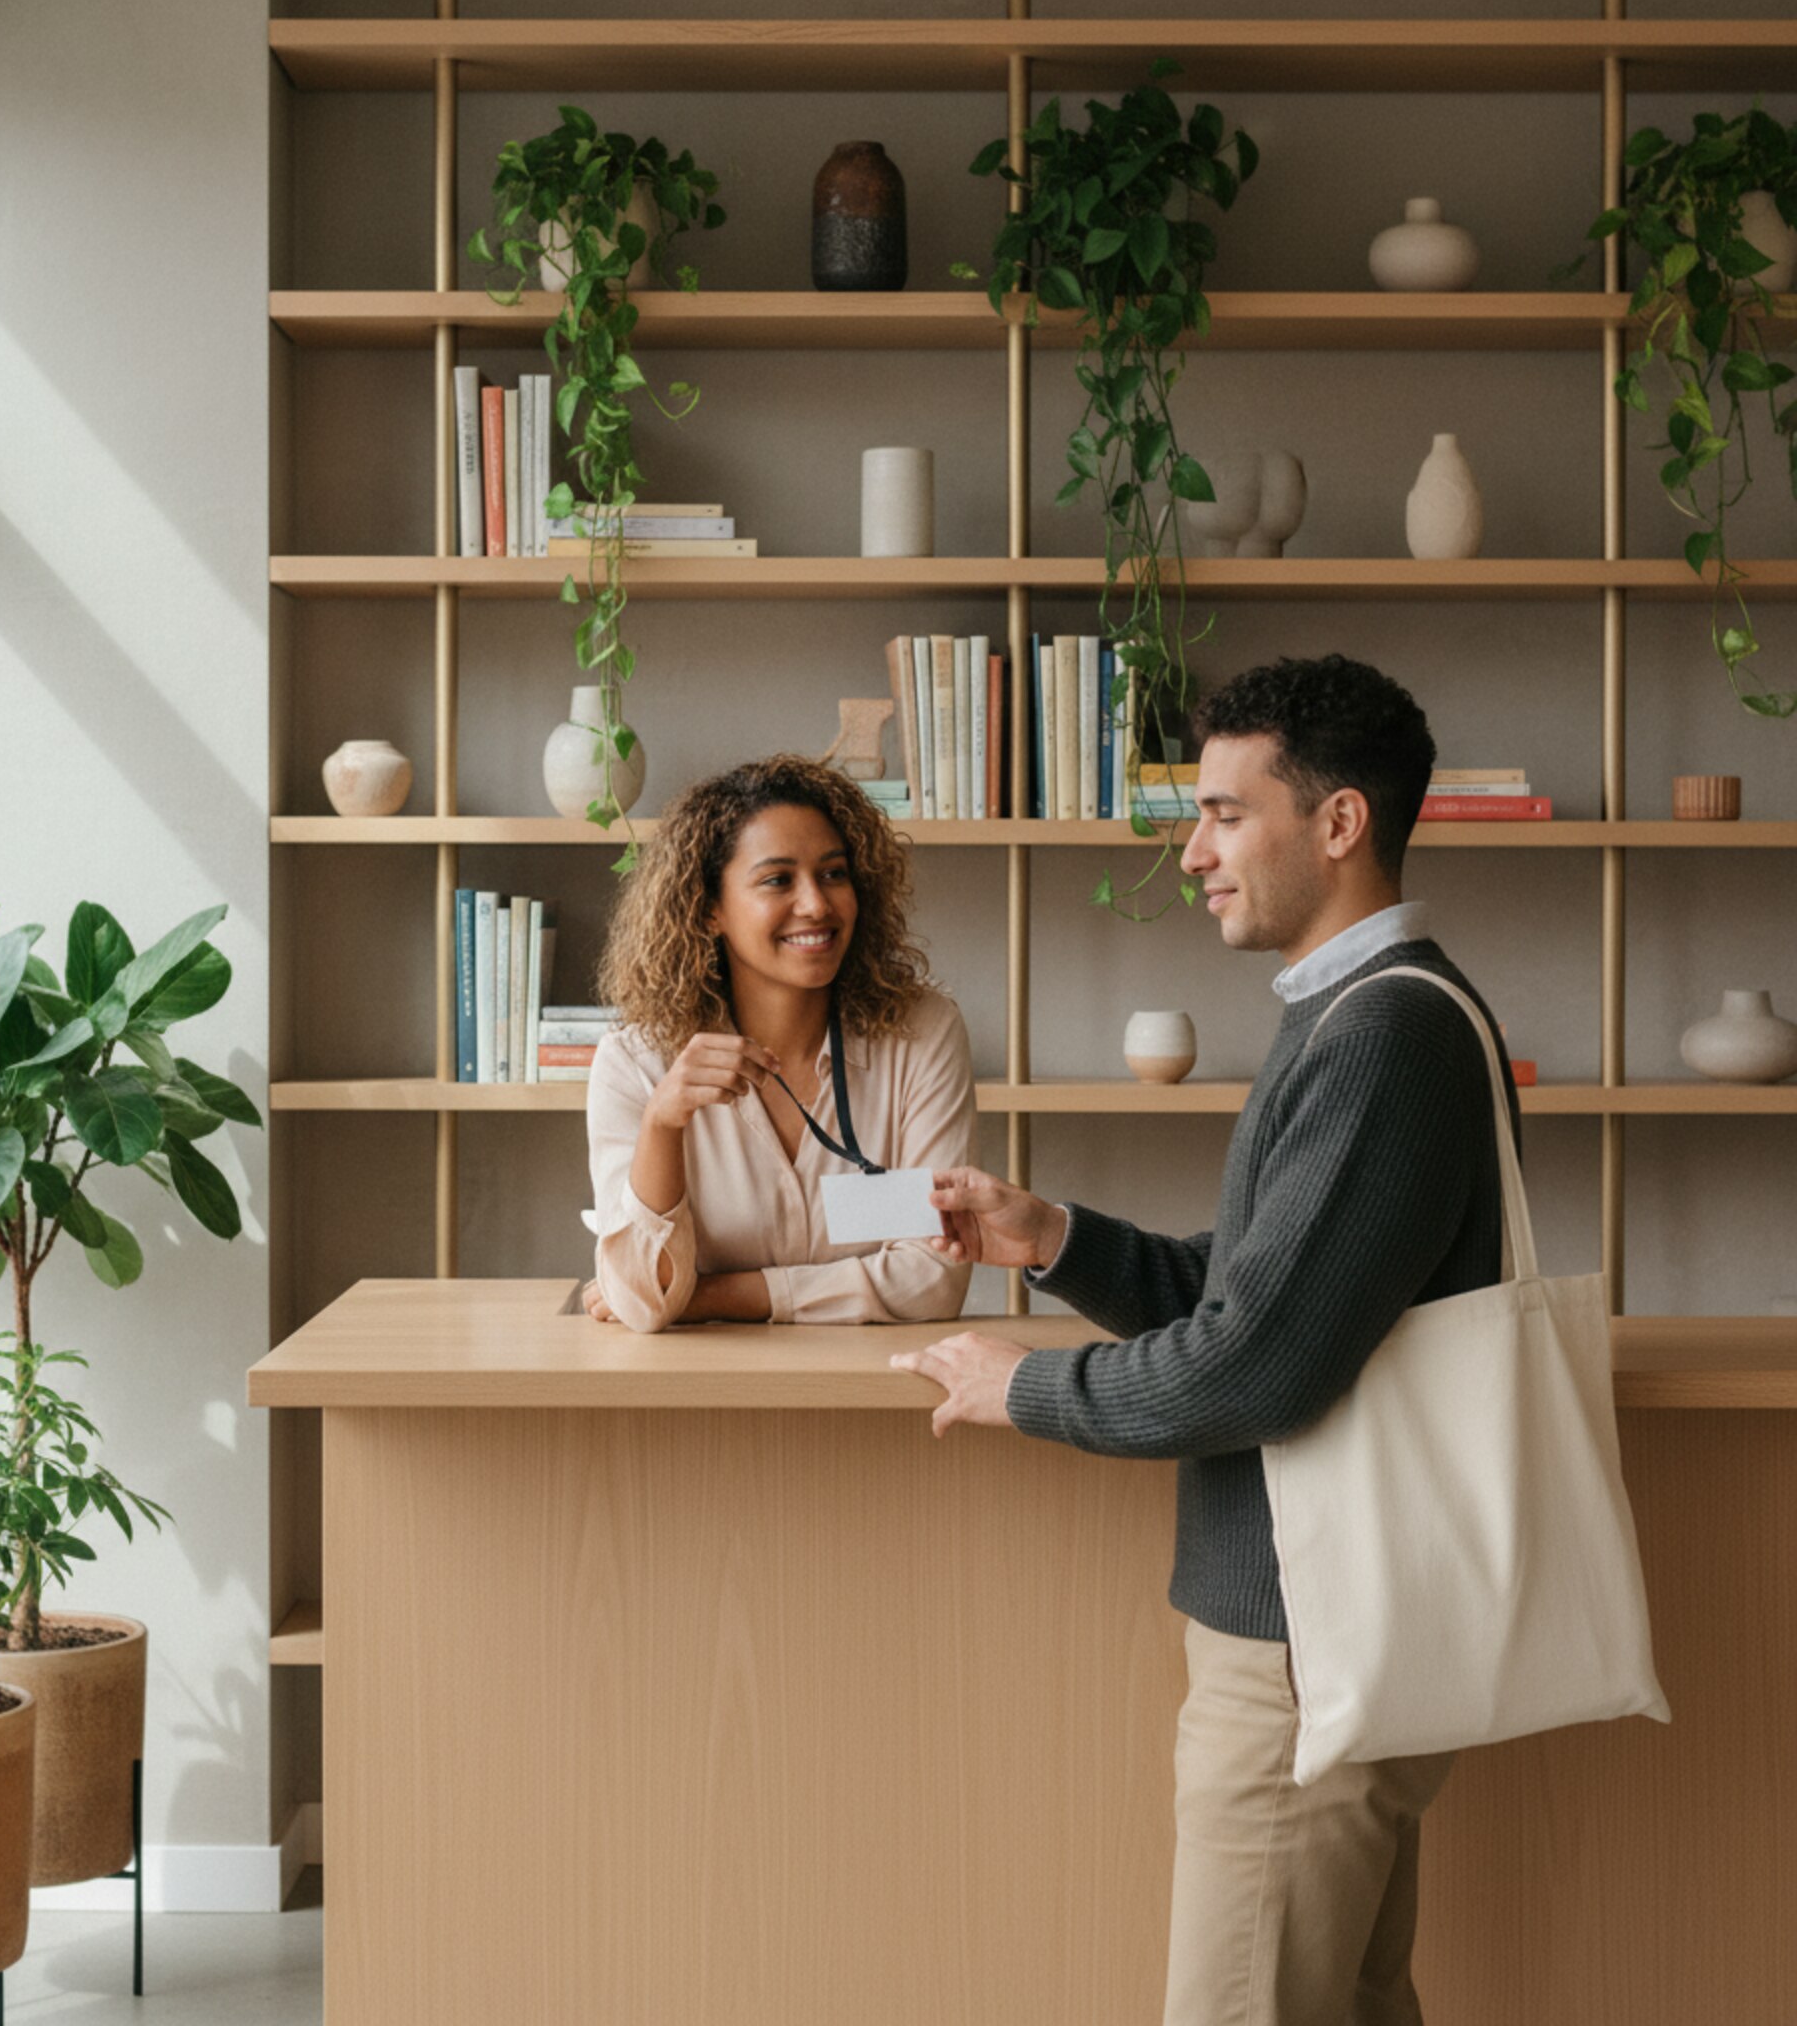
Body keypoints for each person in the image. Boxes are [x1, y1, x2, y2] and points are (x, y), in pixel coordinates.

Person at [892, 654, 1519, 2026]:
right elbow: (1258, 1294)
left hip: (1304, 1651)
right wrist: (1052, 1238)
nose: (1195, 853)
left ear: (1339, 823)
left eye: (1229, 814)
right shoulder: (1356, 1016)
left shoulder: (1383, 1036)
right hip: (1330, 1628)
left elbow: (1259, 1364)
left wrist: (1027, 1390)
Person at [583, 754, 976, 1333]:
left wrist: (710, 1297)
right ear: (709, 908)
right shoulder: (635, 1063)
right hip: (698, 1400)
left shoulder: (920, 1035)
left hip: (878, 1391)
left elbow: (933, 1276)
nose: (816, 904)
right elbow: (645, 1300)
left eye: (834, 873)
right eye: (777, 880)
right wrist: (663, 1123)